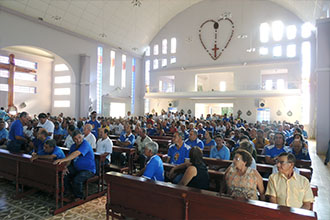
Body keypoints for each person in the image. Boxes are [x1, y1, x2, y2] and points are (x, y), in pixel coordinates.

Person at [54, 130, 95, 199]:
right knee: (64, 175)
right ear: (73, 139)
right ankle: (69, 192)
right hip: (76, 168)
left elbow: (76, 153)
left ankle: (79, 197)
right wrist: (65, 167)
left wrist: (62, 160)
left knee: (77, 180)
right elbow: (70, 159)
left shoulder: (85, 144)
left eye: (79, 137)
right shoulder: (73, 146)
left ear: (82, 136)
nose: (78, 140)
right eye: (75, 139)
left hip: (88, 170)